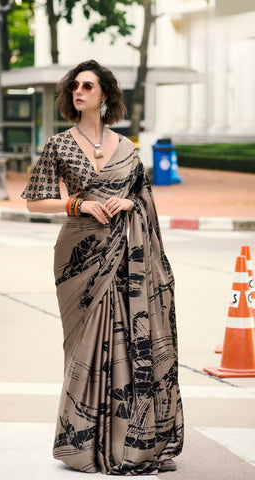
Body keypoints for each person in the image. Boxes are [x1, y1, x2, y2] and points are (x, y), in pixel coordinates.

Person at [21, 59, 184, 475]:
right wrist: (79, 203)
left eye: (88, 86)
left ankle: (128, 442)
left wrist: (128, 202)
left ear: (104, 95)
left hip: (125, 257)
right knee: (84, 348)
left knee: (129, 344)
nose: (78, 92)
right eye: (74, 86)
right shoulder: (59, 144)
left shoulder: (127, 148)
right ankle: (82, 444)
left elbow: (145, 200)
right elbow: (34, 201)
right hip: (79, 259)